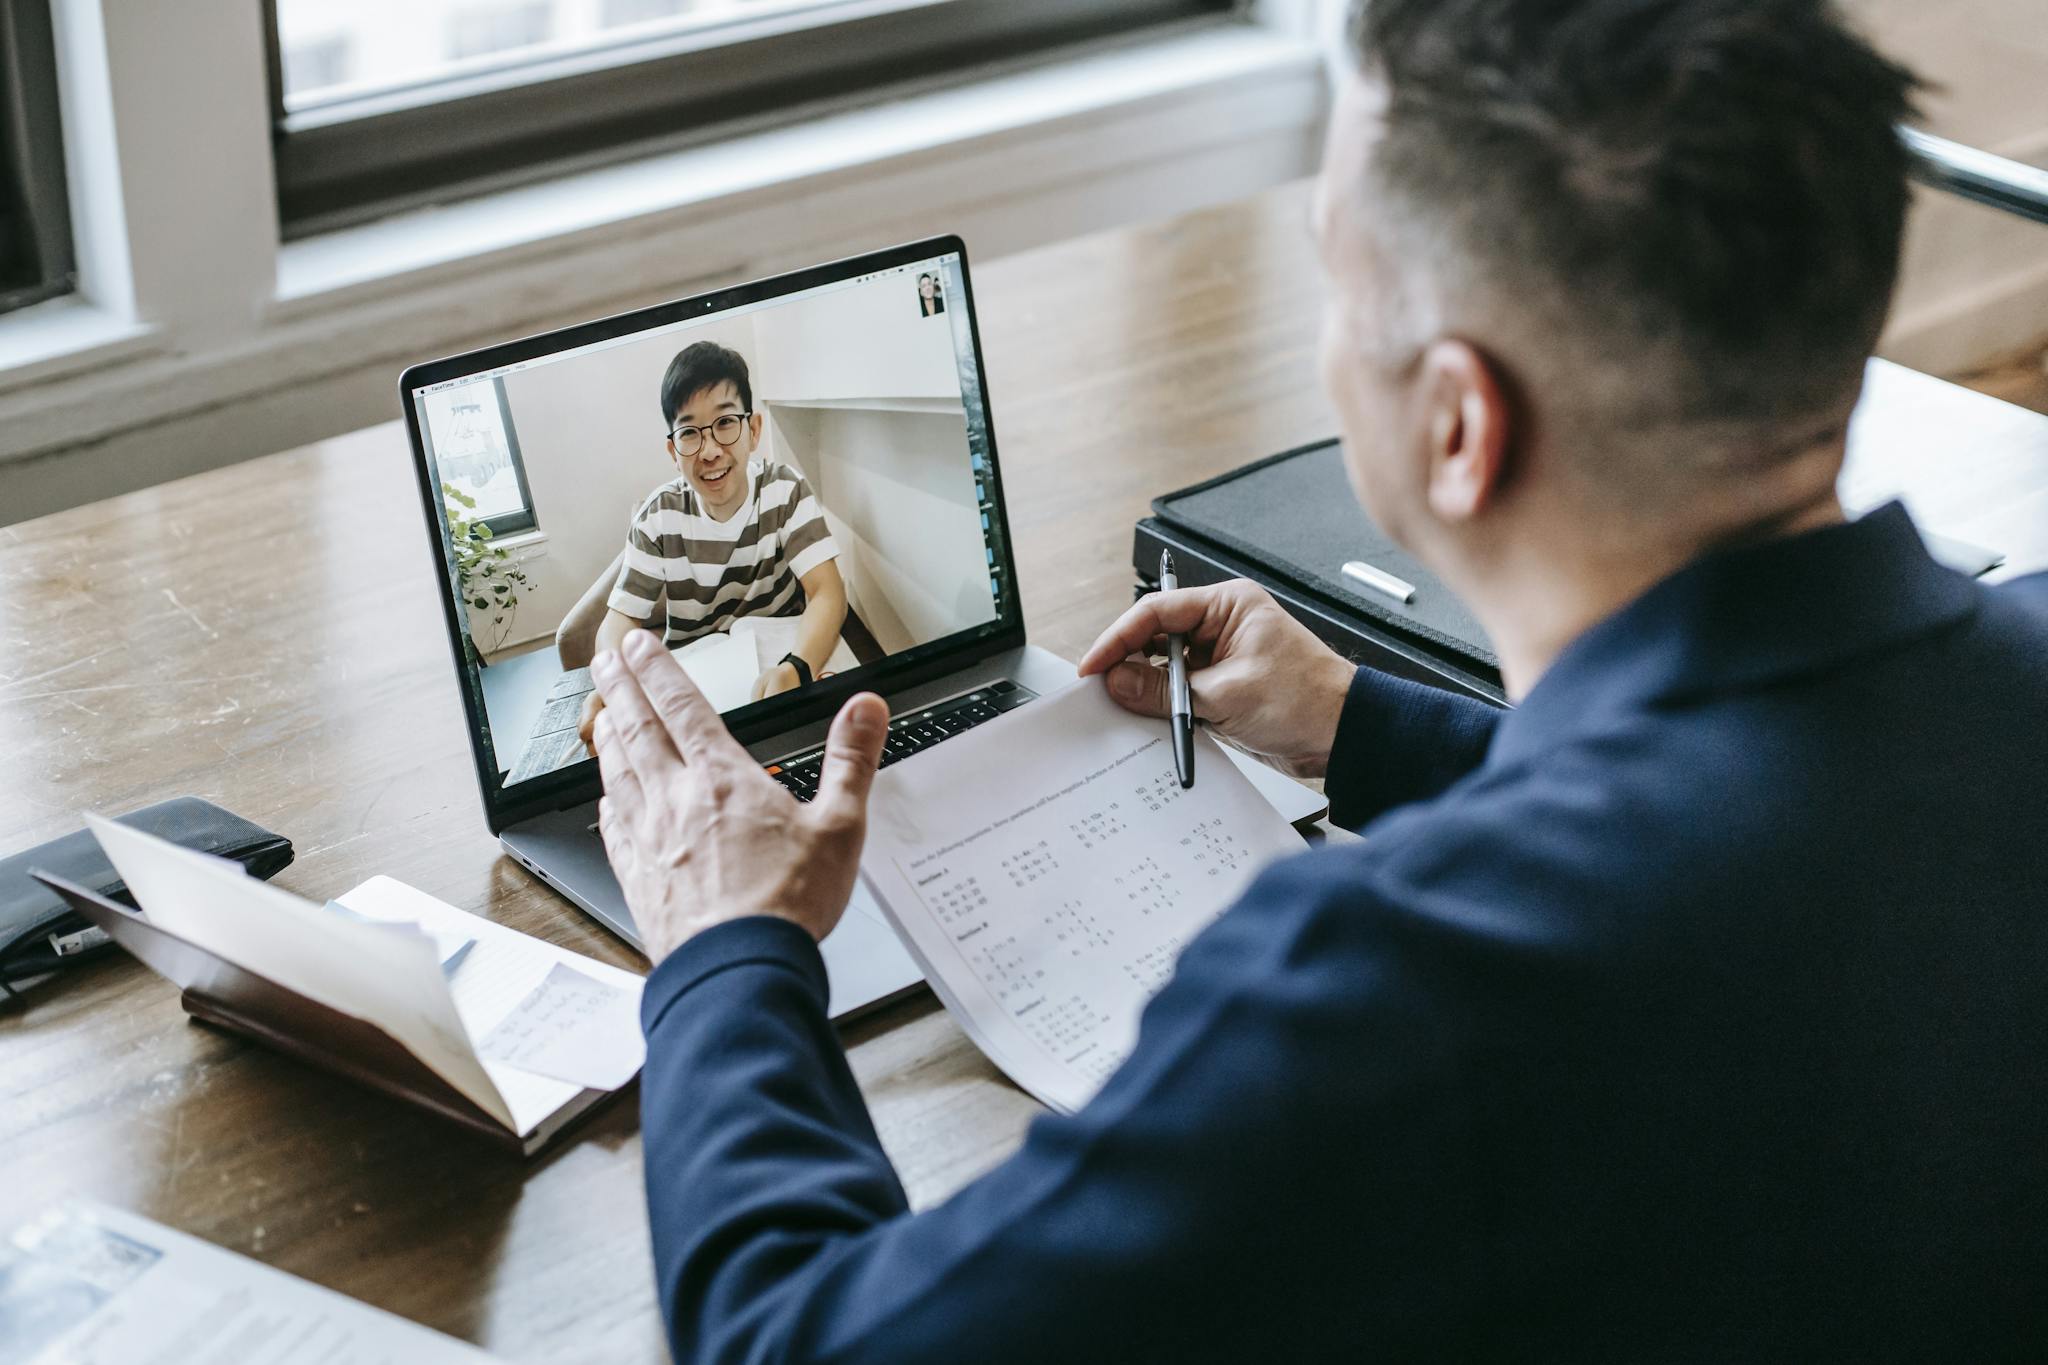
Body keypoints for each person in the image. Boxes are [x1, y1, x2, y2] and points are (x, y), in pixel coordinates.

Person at [588, 0, 2048, 1358]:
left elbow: (796, 1337)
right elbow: (1770, 811)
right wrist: (1365, 728)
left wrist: (725, 946)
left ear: (1459, 425)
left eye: (1336, 273)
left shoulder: (1396, 996)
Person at [578, 341, 847, 750]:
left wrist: (797, 668)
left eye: (725, 423)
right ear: (673, 450)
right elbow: (619, 622)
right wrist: (613, 683)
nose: (709, 451)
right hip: (696, 696)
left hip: (783, 677)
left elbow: (827, 591)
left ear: (753, 430)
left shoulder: (785, 489)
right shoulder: (657, 517)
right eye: (689, 433)